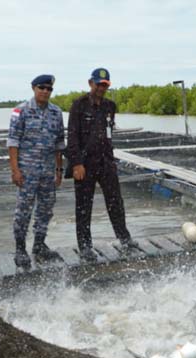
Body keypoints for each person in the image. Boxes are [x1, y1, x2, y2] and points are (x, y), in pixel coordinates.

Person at [66, 68, 138, 262]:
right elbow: (71, 137)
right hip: (85, 164)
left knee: (116, 202)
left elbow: (109, 135)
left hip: (106, 162)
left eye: (105, 85)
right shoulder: (78, 105)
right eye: (99, 84)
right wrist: (76, 164)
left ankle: (124, 238)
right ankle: (85, 246)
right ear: (91, 83)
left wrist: (112, 161)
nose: (101, 88)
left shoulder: (110, 106)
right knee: (83, 206)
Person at [7, 74, 65, 268]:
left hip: (48, 171)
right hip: (27, 171)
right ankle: (20, 247)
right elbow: (13, 142)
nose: (45, 92)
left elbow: (59, 143)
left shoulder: (56, 112)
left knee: (46, 209)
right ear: (33, 88)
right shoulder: (20, 111)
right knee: (23, 210)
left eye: (49, 89)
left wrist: (59, 169)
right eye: (42, 88)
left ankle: (39, 244)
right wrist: (15, 170)